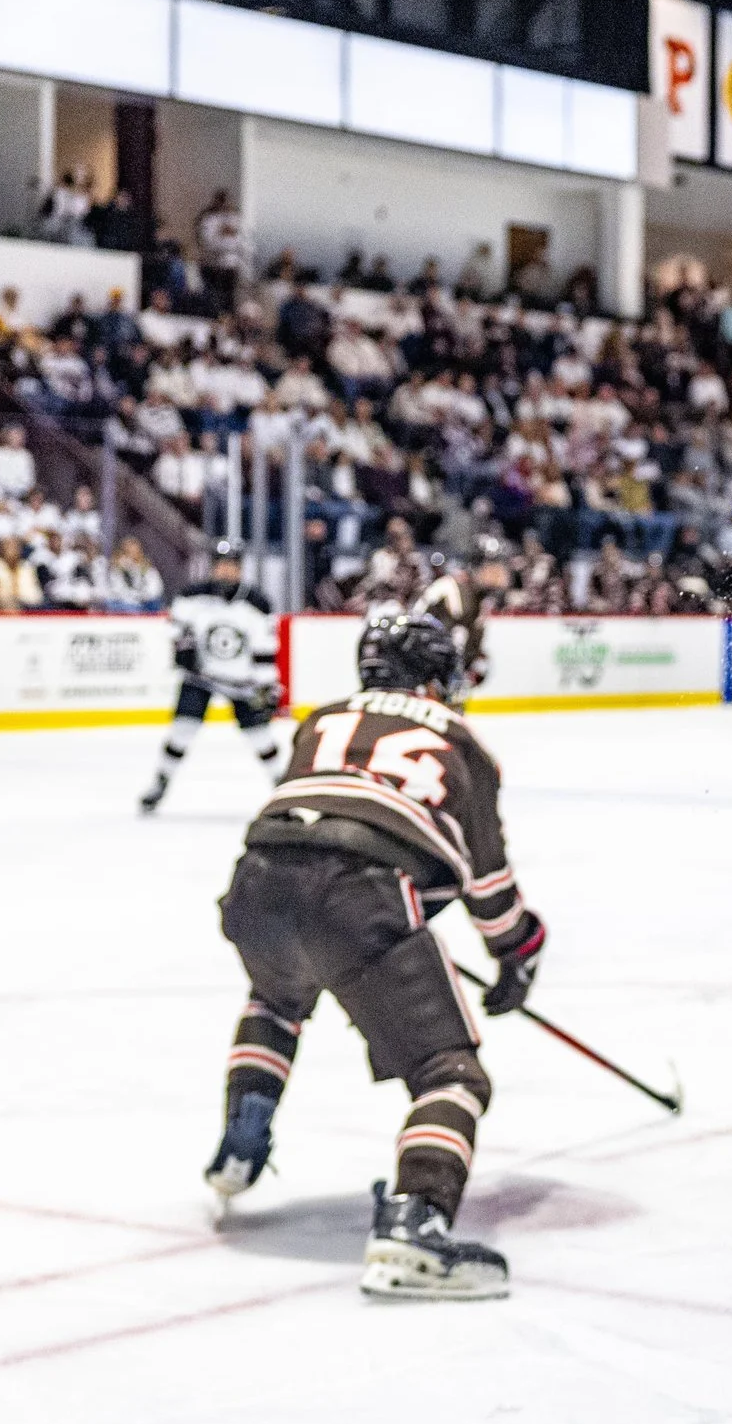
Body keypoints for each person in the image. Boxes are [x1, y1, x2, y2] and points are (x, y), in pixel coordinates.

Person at [207, 610, 546, 1299]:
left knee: (277, 995)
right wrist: (519, 952)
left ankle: (243, 1133)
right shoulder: (462, 741)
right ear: (434, 676)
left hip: (257, 882)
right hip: (357, 895)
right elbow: (490, 891)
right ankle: (416, 1221)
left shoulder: (324, 716)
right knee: (450, 1073)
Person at [138, 540, 284, 812]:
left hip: (242, 683)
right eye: (221, 565)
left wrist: (266, 687)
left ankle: (283, 787)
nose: (225, 572)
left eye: (231, 566)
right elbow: (174, 629)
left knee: (261, 736)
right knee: (182, 730)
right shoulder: (192, 595)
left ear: (240, 569)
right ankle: (161, 782)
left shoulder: (258, 603)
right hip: (201, 677)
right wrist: (183, 647)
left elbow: (265, 651)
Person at [415, 533, 511, 697]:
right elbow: (423, 639)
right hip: (425, 680)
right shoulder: (454, 591)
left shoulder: (477, 596)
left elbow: (469, 646)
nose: (501, 575)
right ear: (477, 566)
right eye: (494, 567)